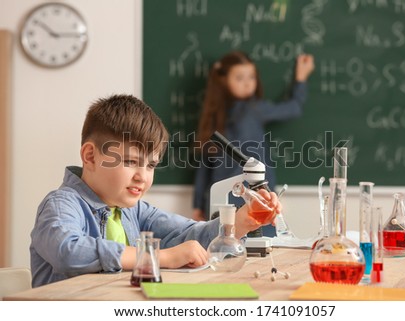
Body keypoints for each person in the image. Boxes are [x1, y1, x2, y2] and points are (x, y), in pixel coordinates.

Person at [29, 94, 281, 287]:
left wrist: (241, 221)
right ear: (91, 156)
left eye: (150, 165)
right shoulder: (62, 204)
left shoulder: (134, 210)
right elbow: (68, 251)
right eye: (130, 162)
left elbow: (188, 236)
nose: (142, 176)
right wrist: (158, 257)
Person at [192, 51, 315, 234]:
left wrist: (301, 77)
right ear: (224, 80)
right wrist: (197, 206)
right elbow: (204, 166)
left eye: (252, 77)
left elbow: (293, 110)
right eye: (240, 78)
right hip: (231, 200)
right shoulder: (218, 116)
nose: (248, 82)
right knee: (227, 249)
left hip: (253, 199)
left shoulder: (253, 109)